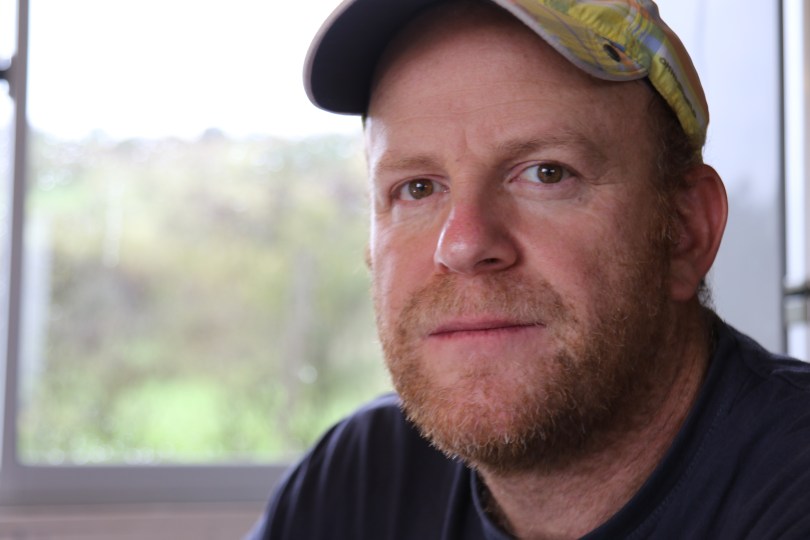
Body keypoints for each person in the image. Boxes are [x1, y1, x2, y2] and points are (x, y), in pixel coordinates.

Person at [247, 0, 810, 538]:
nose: (463, 244)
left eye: (546, 173)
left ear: (687, 229)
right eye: (416, 188)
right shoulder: (362, 480)